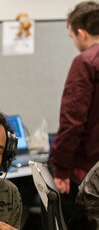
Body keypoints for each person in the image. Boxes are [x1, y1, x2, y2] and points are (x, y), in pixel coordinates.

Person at [50, 1, 99, 199]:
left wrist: (61, 169)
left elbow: (73, 120)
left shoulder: (86, 62)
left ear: (82, 33)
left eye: (72, 37)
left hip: (90, 171)